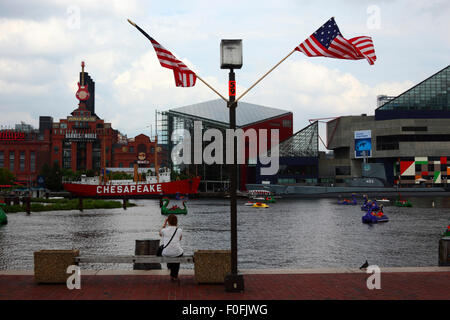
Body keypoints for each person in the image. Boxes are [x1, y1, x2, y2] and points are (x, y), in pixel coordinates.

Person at [159, 214, 183, 281]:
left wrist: (164, 223)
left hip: (166, 253)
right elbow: (180, 239)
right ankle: (174, 275)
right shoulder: (179, 230)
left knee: (169, 253)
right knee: (177, 254)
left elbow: (160, 234)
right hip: (177, 253)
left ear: (168, 222)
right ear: (176, 222)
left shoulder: (164, 230)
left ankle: (171, 270)